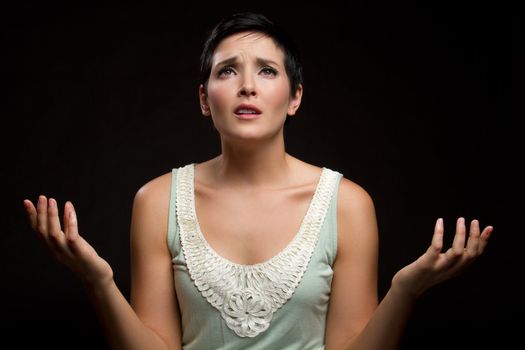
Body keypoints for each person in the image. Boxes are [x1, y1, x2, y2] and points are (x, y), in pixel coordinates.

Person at [22, 12, 494, 350]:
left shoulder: (347, 204)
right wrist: (99, 282)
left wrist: (404, 291)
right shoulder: (157, 199)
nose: (247, 86)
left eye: (267, 71)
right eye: (227, 71)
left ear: (294, 97)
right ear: (205, 99)